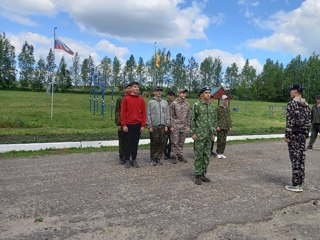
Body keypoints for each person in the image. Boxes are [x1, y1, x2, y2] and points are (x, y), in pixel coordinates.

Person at [284, 84, 311, 192]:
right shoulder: (306, 105)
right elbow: (309, 122)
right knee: (301, 158)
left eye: (291, 90)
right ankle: (299, 182)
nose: (290, 92)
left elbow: (290, 122)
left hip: (294, 135)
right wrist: (305, 134)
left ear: (295, 91)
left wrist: (287, 136)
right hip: (302, 136)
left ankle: (295, 185)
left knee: (295, 158)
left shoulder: (292, 104)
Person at [190, 86, 217, 185]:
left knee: (206, 156)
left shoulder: (212, 106)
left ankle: (203, 174)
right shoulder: (197, 105)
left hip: (209, 136)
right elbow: (192, 119)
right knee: (198, 155)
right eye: (206, 92)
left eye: (209, 92)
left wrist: (214, 133)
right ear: (201, 94)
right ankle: (197, 175)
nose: (208, 94)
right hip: (199, 135)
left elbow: (214, 121)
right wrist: (193, 133)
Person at [120, 81, 146, 168]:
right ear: (131, 88)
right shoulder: (126, 99)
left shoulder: (141, 100)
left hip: (138, 125)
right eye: (135, 87)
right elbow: (122, 113)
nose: (137, 88)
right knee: (127, 143)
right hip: (128, 125)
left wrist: (143, 125)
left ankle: (134, 159)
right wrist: (124, 125)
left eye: (138, 87)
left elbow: (144, 113)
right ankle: (127, 159)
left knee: (135, 143)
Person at [146, 86, 170, 166]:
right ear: (154, 92)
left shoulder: (165, 102)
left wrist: (167, 125)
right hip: (154, 126)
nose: (159, 92)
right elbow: (148, 114)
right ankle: (153, 158)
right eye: (157, 91)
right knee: (154, 143)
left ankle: (159, 158)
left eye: (160, 91)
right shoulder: (151, 102)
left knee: (162, 142)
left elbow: (167, 114)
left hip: (163, 126)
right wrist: (149, 126)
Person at [170, 89, 190, 164]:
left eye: (185, 93)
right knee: (175, 142)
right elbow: (171, 115)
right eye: (182, 93)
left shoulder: (187, 104)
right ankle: (174, 156)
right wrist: (171, 126)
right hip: (175, 126)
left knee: (181, 142)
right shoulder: (174, 103)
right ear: (179, 94)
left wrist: (188, 126)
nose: (183, 95)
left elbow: (188, 116)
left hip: (184, 126)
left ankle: (180, 155)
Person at [114, 83, 131, 164]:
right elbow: (117, 112)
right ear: (124, 89)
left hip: (131, 123)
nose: (129, 89)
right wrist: (118, 123)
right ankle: (122, 156)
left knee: (129, 140)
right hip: (122, 123)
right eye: (127, 88)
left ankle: (128, 155)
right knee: (122, 140)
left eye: (130, 88)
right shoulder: (120, 99)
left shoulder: (132, 98)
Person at [216, 95, 232, 159]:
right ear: (222, 100)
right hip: (220, 127)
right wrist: (217, 125)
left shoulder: (228, 109)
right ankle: (218, 153)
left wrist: (230, 126)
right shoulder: (219, 108)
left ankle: (222, 153)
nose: (226, 101)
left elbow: (229, 118)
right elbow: (216, 118)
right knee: (220, 140)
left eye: (227, 100)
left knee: (224, 141)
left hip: (226, 127)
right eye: (225, 100)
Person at [164, 90, 176, 159]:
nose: (172, 97)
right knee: (165, 140)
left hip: (173, 125)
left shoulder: (175, 104)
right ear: (167, 96)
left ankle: (169, 153)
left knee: (172, 141)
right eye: (170, 95)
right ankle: (165, 153)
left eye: (173, 95)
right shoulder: (164, 103)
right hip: (166, 125)